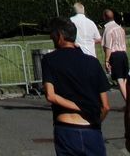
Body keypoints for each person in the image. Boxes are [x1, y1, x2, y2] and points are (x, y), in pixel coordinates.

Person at [42, 16, 111, 156]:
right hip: (90, 127)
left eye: (53, 35)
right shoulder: (92, 63)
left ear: (60, 36)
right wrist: (94, 119)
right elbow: (106, 106)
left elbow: (50, 95)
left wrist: (76, 106)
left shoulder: (49, 60)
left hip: (65, 127)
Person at [102, 8, 128, 101]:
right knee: (124, 80)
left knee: (119, 80)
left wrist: (106, 60)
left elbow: (108, 46)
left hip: (115, 55)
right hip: (123, 54)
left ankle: (128, 103)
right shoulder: (120, 28)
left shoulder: (108, 29)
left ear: (104, 17)